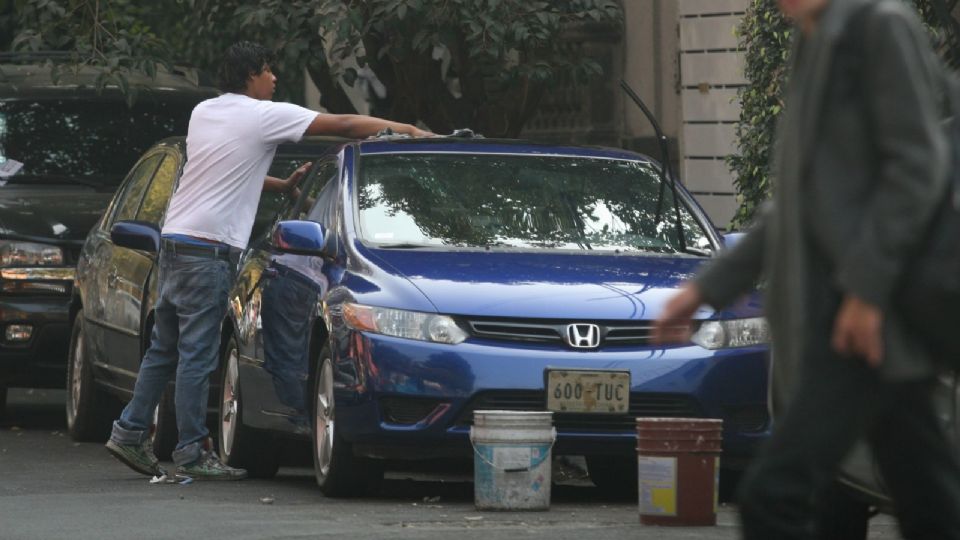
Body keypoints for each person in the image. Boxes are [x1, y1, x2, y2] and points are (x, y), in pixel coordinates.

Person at [653, 0, 960, 537]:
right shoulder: (813, 43)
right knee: (928, 503)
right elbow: (795, 205)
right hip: (850, 322)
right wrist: (704, 289)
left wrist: (866, 293)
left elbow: (918, 166)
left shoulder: (879, 29)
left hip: (864, 319)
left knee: (774, 496)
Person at [104, 41, 431, 480]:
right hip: (210, 251)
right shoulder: (264, 115)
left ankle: (128, 432)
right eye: (268, 70)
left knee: (165, 349)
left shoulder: (205, 111)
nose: (274, 78)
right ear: (251, 76)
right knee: (198, 356)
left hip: (177, 242)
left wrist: (279, 184)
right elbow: (347, 123)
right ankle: (190, 451)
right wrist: (407, 129)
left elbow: (223, 170)